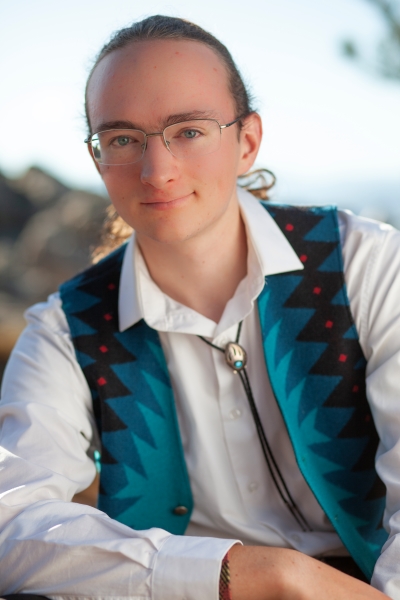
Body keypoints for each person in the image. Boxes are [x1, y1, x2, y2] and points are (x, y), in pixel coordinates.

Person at [0, 14, 399, 600]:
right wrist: (256, 574)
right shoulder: (67, 327)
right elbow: (10, 524)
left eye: (188, 130)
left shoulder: (367, 264)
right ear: (98, 161)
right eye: (122, 139)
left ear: (247, 142)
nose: (156, 170)